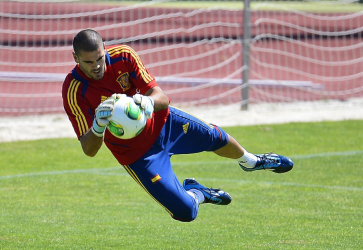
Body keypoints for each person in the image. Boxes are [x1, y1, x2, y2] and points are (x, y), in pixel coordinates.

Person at [62, 29, 293, 222]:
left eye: (100, 58)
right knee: (185, 213)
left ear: (105, 47)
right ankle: (199, 193)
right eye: (88, 62)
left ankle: (251, 162)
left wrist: (148, 101)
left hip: (165, 124)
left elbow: (162, 97)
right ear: (75, 58)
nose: (96, 66)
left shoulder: (124, 55)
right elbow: (89, 149)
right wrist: (99, 127)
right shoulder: (73, 89)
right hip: (139, 157)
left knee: (216, 138)